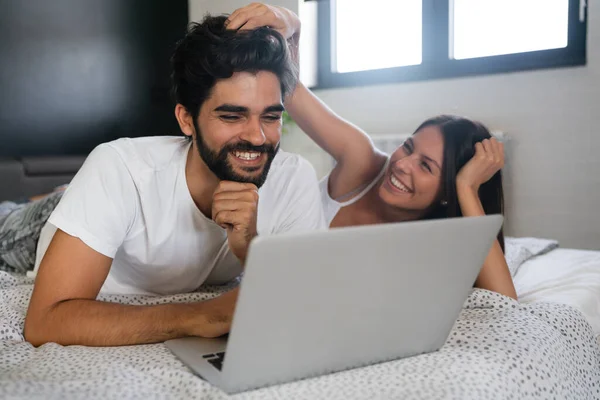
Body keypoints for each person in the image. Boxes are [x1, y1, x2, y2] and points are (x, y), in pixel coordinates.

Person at [24, 15, 326, 347]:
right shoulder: (121, 168)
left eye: (270, 116)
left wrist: (251, 247)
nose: (257, 137)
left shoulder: (293, 178)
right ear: (186, 119)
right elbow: (45, 322)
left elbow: (304, 301)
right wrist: (201, 315)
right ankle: (51, 197)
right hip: (34, 228)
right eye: (231, 116)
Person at [225, 3, 517, 299]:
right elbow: (291, 90)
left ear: (447, 194)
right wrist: (292, 24)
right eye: (408, 147)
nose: (403, 165)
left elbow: (504, 301)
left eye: (426, 166)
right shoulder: (363, 163)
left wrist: (467, 188)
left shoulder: (438, 241)